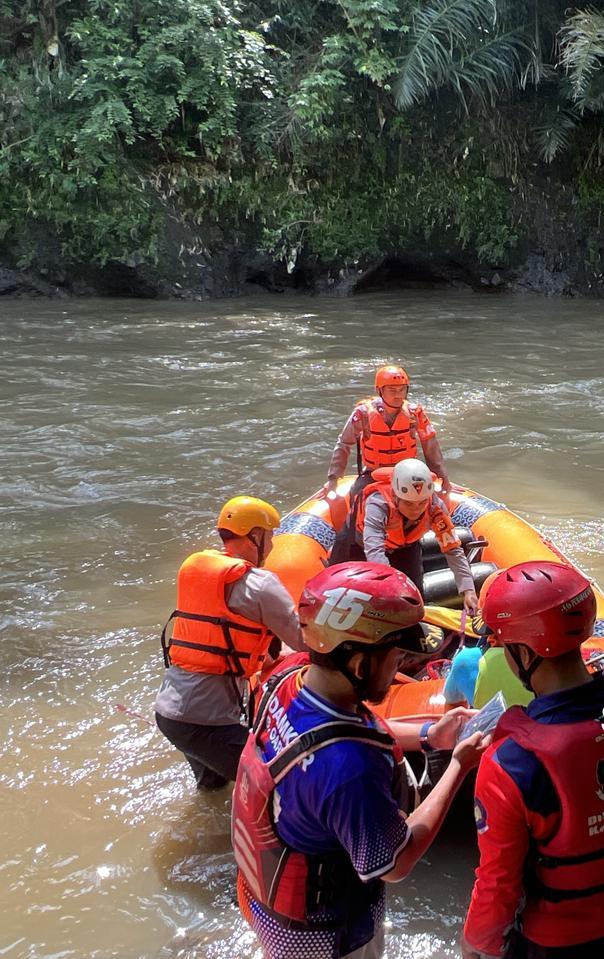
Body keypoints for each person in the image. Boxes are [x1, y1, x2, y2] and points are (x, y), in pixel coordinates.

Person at [232, 562, 489, 959]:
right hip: (322, 935)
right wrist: (458, 765)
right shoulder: (351, 769)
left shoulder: (289, 679)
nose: (400, 667)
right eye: (396, 657)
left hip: (265, 897)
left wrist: (428, 735)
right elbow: (396, 863)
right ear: (359, 664)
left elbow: (340, 730)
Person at [461, 560, 604, 959]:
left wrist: (475, 944)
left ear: (523, 652)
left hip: (556, 940)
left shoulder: (511, 762)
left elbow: (498, 883)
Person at [155, 495, 304, 790]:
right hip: (206, 723)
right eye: (270, 536)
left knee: (213, 786)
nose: (272, 546)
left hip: (169, 711)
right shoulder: (260, 584)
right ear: (255, 536)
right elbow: (304, 641)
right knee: (281, 784)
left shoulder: (200, 572)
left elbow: (229, 636)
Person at [324, 365, 451, 566]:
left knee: (426, 507)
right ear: (380, 391)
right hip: (373, 474)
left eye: (402, 390)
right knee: (354, 513)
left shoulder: (414, 413)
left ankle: (419, 554)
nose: (398, 395)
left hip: (407, 474)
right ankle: (338, 561)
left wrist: (442, 476)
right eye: (392, 390)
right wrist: (333, 478)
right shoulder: (363, 414)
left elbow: (430, 444)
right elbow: (344, 444)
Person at [356, 458, 478, 613]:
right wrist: (392, 586)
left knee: (414, 598)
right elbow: (374, 550)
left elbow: (452, 549)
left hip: (405, 547)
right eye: (408, 503)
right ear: (396, 497)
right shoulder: (378, 504)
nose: (416, 509)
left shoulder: (435, 506)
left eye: (421, 503)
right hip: (361, 548)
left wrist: (468, 589)